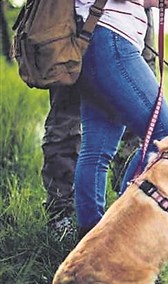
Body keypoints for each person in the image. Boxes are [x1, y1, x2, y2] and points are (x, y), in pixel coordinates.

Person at [44, 5, 158, 242]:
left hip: (124, 32)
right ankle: (73, 215)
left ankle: (97, 239)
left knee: (101, 148)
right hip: (93, 30)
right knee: (163, 136)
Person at [73, 0, 168, 238]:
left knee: (96, 152)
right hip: (113, 39)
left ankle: (92, 241)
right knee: (167, 138)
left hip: (96, 39)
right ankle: (122, 230)